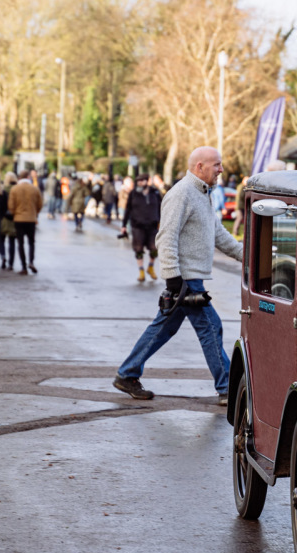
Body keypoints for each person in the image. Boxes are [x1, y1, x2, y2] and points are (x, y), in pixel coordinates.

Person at [113, 146, 243, 404]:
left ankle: (127, 374)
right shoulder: (181, 193)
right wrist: (173, 278)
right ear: (200, 167)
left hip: (188, 278)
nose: (221, 169)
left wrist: (249, 256)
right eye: (216, 164)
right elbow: (166, 236)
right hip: (185, 280)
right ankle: (227, 388)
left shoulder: (202, 194)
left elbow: (219, 235)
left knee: (163, 328)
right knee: (211, 327)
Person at [121, 173, 162, 282]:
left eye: (142, 180)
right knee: (138, 249)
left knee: (154, 249)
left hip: (153, 226)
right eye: (138, 180)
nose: (139, 182)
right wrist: (124, 225)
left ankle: (150, 267)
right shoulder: (133, 194)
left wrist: (162, 222)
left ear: (147, 181)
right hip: (137, 226)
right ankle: (141, 271)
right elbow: (128, 209)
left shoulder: (155, 193)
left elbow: (161, 207)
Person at [7, 168, 43, 273]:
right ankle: (31, 261)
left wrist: (14, 213)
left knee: (20, 243)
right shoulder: (35, 189)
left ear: (19, 178)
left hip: (19, 219)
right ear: (28, 177)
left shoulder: (14, 189)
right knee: (31, 242)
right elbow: (40, 204)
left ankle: (23, 267)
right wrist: (35, 213)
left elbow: (11, 206)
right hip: (31, 219)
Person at [2, 171, 18, 270]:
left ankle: (3, 256)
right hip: (14, 218)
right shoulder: (18, 190)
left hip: (3, 218)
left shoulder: (2, 189)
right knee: (12, 242)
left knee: (1, 239)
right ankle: (11, 263)